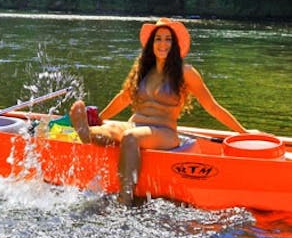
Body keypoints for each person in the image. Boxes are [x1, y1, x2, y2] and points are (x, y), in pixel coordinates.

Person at [69, 17, 249, 206]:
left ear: (175, 44)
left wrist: (243, 132)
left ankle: (125, 200)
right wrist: (100, 118)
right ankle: (87, 132)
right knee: (109, 129)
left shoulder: (185, 72)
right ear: (151, 43)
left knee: (130, 137)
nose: (163, 44)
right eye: (158, 39)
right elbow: (124, 97)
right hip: (136, 123)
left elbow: (211, 106)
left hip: (164, 132)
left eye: (168, 39)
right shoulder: (143, 68)